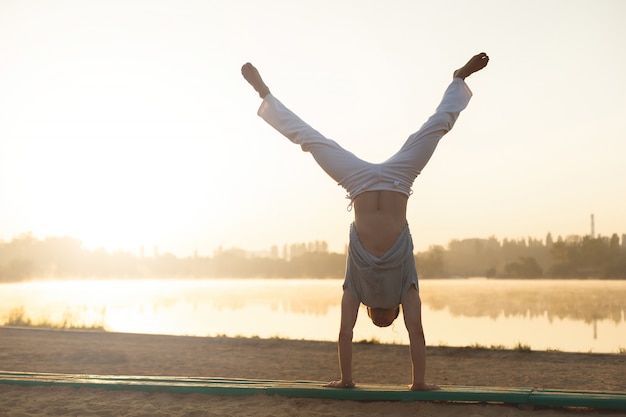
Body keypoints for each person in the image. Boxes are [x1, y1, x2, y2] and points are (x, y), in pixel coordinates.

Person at [241, 53, 489, 391]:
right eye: (389, 323)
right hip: (399, 179)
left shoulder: (357, 289)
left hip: (357, 182)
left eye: (378, 322)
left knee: (311, 140)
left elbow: (345, 332)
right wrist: (419, 384)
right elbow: (416, 331)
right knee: (436, 127)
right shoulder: (406, 288)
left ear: (370, 312)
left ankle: (264, 95)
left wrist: (346, 380)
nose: (385, 323)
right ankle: (458, 79)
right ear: (395, 313)